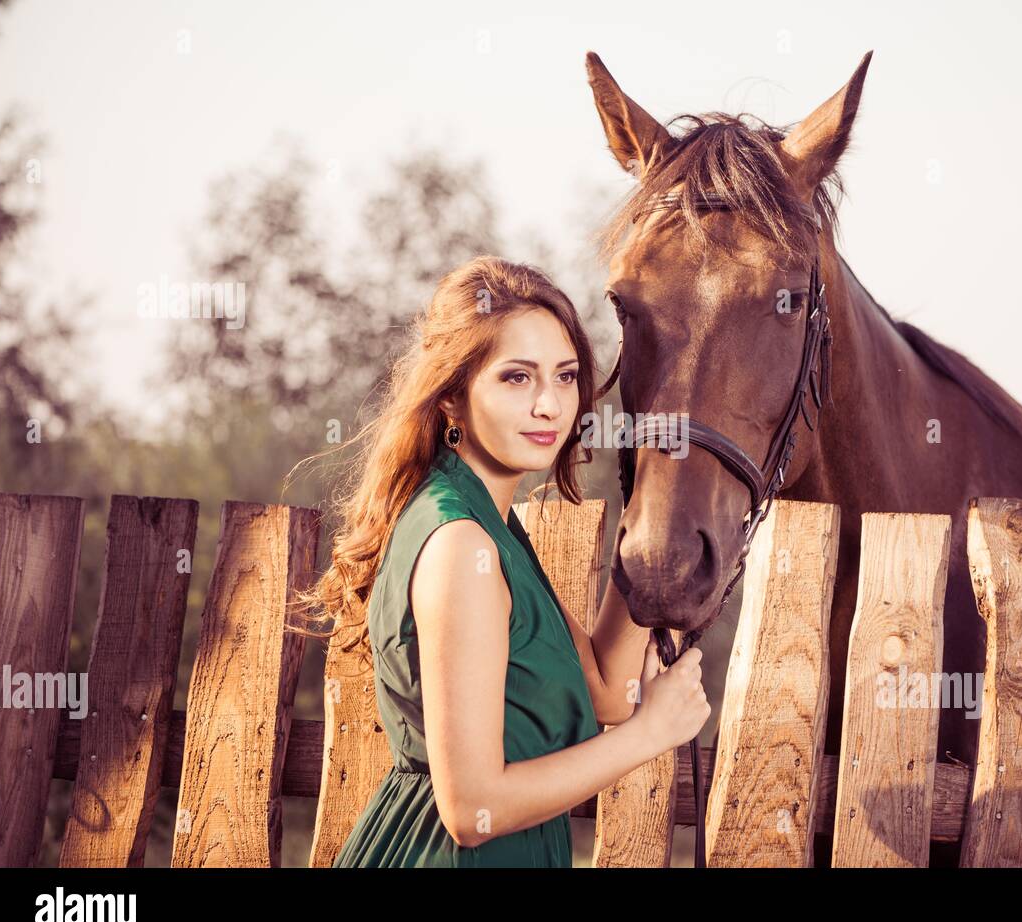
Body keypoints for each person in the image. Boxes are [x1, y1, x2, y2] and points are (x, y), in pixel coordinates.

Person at [293, 255, 710, 866]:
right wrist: (651, 736)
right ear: (453, 398)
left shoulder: (490, 522)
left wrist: (648, 512)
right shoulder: (462, 545)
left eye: (565, 377)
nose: (550, 405)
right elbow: (471, 810)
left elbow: (605, 694)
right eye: (517, 378)